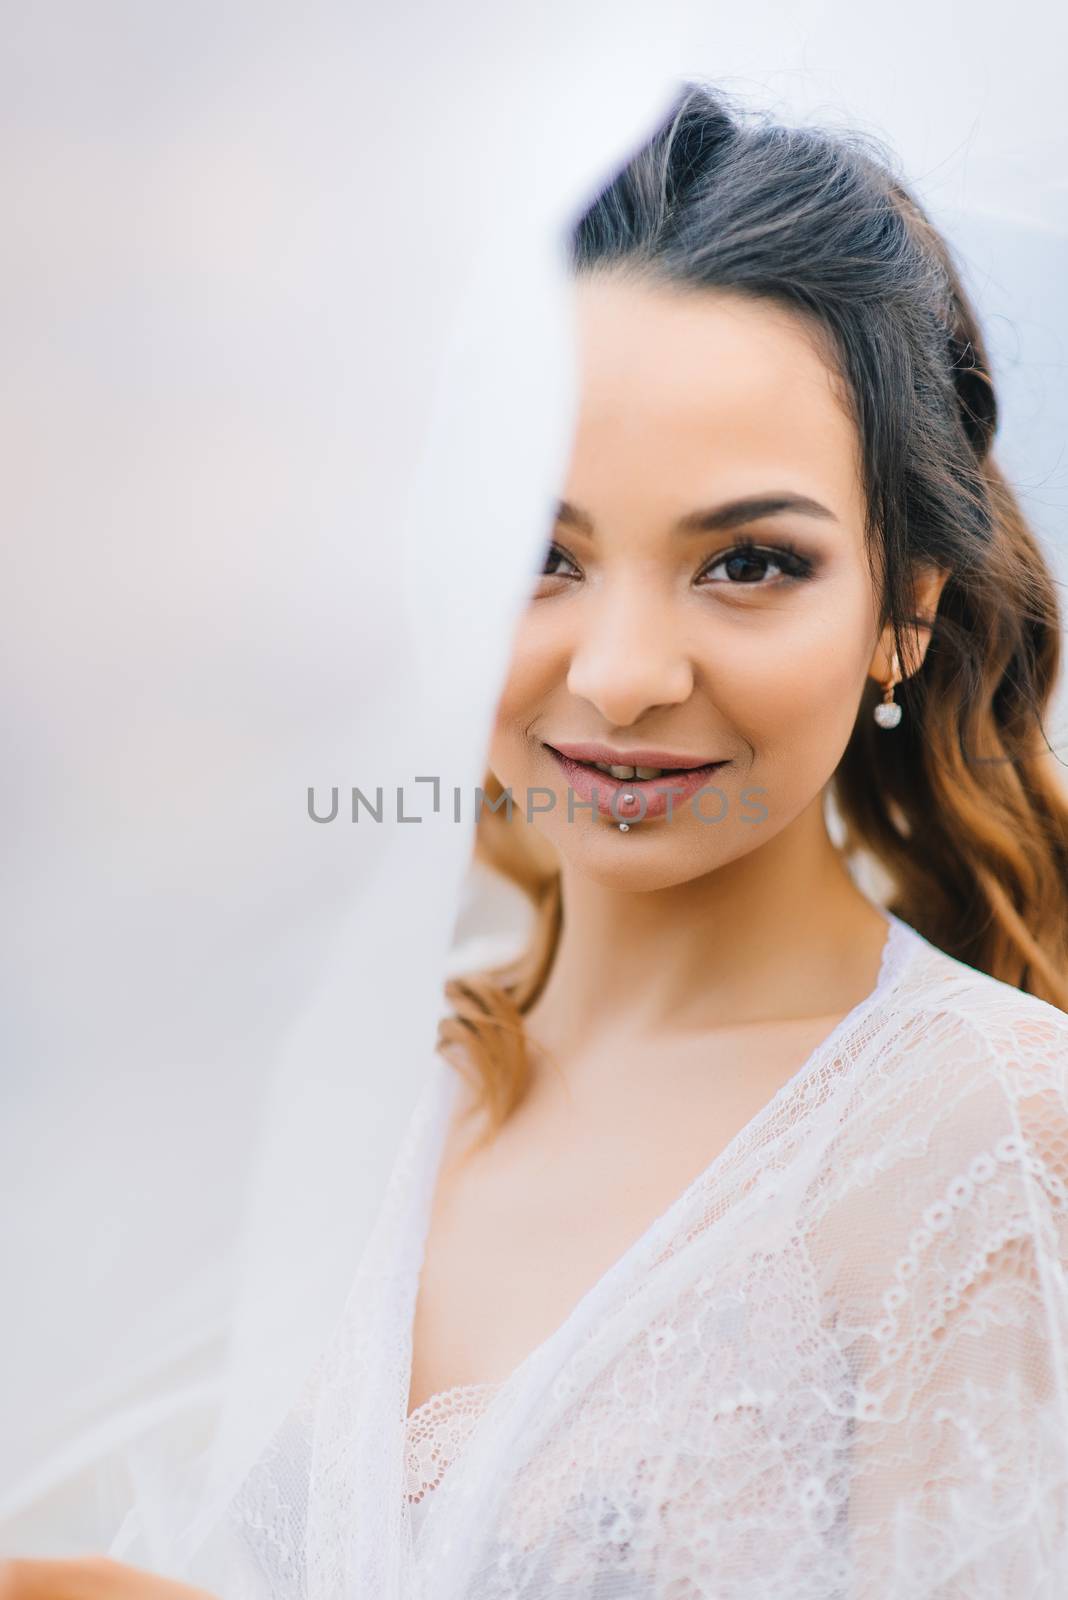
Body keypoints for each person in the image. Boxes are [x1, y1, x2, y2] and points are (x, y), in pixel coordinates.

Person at [7, 77, 1068, 1600]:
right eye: (536, 552)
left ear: (906, 609)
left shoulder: (985, 1136)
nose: (626, 672)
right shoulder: (369, 1094)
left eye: (752, 562)